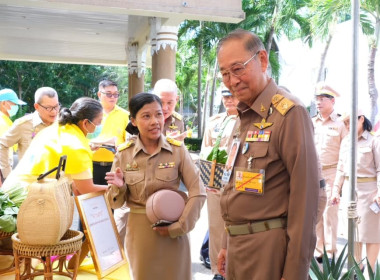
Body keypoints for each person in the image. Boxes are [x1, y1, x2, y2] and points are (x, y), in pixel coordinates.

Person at [216, 29, 319, 280]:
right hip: (238, 248)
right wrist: (226, 242)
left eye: (238, 69)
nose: (232, 81)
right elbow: (234, 185)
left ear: (262, 60)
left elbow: (305, 202)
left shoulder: (289, 114)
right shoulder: (245, 115)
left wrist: (295, 272)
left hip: (268, 250)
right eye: (225, 73)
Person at [105, 92, 206, 280]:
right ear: (133, 121)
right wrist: (119, 187)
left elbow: (198, 191)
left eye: (159, 114)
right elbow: (115, 204)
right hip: (140, 235)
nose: (155, 121)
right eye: (146, 116)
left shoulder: (177, 150)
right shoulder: (124, 154)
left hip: (174, 232)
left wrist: (180, 226)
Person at [2, 97, 108, 195]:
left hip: (11, 191)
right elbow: (86, 189)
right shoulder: (77, 147)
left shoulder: (58, 129)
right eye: (99, 122)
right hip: (24, 199)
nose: (100, 126)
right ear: (85, 123)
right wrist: (118, 189)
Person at [331, 110, 380, 272]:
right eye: (345, 123)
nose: (347, 126)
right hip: (349, 192)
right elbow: (340, 169)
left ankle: (370, 271)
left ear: (361, 119)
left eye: (350, 121)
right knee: (354, 233)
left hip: (369, 194)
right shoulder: (345, 142)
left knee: (371, 233)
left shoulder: (374, 140)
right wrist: (336, 190)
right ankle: (357, 270)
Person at [199, 87, 239, 280]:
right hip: (215, 182)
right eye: (226, 97)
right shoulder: (214, 121)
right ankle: (217, 271)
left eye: (232, 96)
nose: (229, 100)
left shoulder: (247, 120)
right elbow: (204, 150)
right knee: (216, 226)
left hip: (237, 183)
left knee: (235, 227)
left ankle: (233, 270)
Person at [312, 82, 348, 262]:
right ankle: (319, 251)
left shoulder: (341, 124)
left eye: (322, 99)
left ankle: (331, 252)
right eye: (317, 99)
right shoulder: (312, 123)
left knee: (330, 215)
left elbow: (345, 152)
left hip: (332, 173)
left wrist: (339, 182)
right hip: (314, 174)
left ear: (332, 101)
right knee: (317, 213)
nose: (318, 103)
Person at [0, 87, 59, 184]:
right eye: (48, 108)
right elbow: (2, 144)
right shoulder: (23, 125)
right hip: (31, 187)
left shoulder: (63, 124)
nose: (54, 112)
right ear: (36, 106)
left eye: (56, 106)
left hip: (58, 184)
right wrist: (8, 175)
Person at [91, 79, 130, 185]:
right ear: (99, 94)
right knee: (92, 199)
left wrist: (121, 147)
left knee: (113, 198)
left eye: (116, 94)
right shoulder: (90, 113)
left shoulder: (125, 115)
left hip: (115, 166)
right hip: (90, 165)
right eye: (109, 94)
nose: (113, 97)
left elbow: (130, 141)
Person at [0, 88, 26, 185]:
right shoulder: (1, 122)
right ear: (3, 104)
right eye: (14, 104)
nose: (16, 107)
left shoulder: (5, 120)